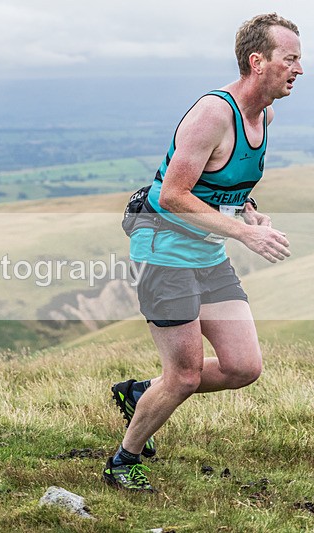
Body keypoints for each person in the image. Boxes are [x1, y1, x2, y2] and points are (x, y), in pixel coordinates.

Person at [103, 13, 302, 490]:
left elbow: (223, 184)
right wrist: (244, 236)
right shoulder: (214, 114)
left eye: (300, 60)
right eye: (290, 58)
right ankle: (124, 461)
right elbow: (174, 194)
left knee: (243, 367)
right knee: (185, 376)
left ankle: (140, 394)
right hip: (164, 250)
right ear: (257, 61)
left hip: (208, 253)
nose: (299, 69)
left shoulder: (265, 116)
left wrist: (249, 213)